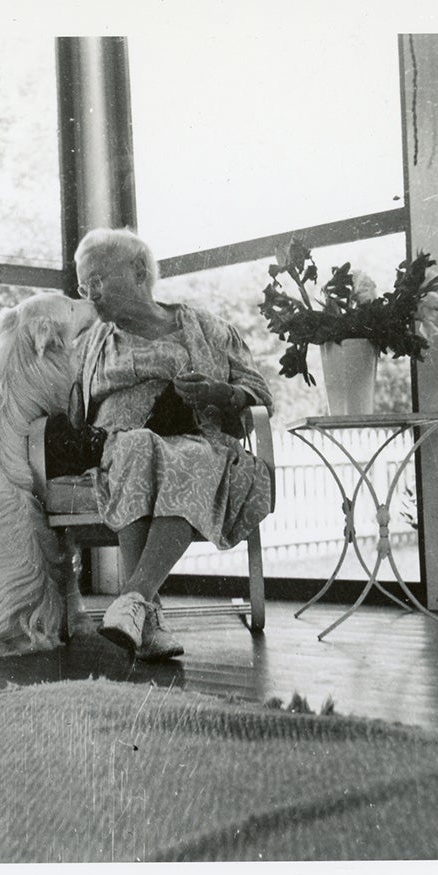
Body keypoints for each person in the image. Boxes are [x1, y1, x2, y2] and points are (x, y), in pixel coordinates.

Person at [73, 227, 274, 662]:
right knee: (137, 447)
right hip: (121, 448)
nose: (91, 295)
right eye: (83, 286)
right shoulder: (88, 344)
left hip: (196, 442)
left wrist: (221, 394)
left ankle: (134, 604)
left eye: (97, 281)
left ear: (139, 272)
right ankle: (145, 610)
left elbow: (259, 393)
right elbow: (61, 406)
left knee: (191, 456)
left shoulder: (209, 328)